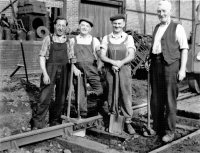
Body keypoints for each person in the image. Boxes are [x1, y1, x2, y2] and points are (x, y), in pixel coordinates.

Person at [148, 0, 188, 142]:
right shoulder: (157, 27)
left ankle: (170, 131)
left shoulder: (177, 27)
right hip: (156, 65)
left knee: (170, 100)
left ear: (170, 11)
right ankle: (157, 127)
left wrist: (182, 69)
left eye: (164, 11)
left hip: (171, 65)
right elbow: (155, 48)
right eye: (159, 11)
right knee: (156, 99)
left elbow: (184, 49)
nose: (161, 14)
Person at [31, 16, 72, 129]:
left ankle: (55, 121)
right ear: (55, 26)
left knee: (61, 97)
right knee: (44, 97)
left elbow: (71, 58)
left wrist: (75, 68)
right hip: (50, 70)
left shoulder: (68, 41)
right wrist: (45, 73)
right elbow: (42, 57)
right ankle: (38, 123)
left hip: (64, 70)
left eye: (63, 26)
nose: (60, 28)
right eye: (59, 25)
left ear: (66, 27)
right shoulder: (48, 39)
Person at [100, 14, 136, 134]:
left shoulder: (128, 38)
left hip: (124, 70)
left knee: (125, 94)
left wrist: (120, 63)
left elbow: (131, 55)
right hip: (110, 70)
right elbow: (102, 55)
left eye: (119, 23)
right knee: (111, 94)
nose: (117, 25)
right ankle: (112, 117)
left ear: (123, 24)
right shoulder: (106, 38)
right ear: (112, 24)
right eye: (115, 23)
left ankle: (128, 122)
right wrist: (113, 62)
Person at [70, 18, 107, 118]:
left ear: (90, 29)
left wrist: (100, 66)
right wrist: (74, 69)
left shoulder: (94, 40)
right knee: (80, 93)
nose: (84, 28)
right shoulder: (73, 40)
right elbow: (69, 57)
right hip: (78, 70)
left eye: (87, 26)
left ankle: (96, 107)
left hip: (92, 68)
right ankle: (82, 115)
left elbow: (100, 55)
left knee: (100, 89)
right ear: (79, 27)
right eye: (82, 25)